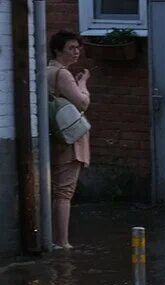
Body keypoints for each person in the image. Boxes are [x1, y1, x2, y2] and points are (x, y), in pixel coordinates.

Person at [47, 30, 91, 250]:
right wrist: (83, 83)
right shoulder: (62, 74)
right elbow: (82, 103)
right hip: (68, 139)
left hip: (54, 136)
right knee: (64, 191)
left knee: (55, 189)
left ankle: (54, 238)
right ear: (58, 50)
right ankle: (61, 242)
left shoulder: (47, 71)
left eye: (78, 48)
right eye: (71, 48)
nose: (76, 52)